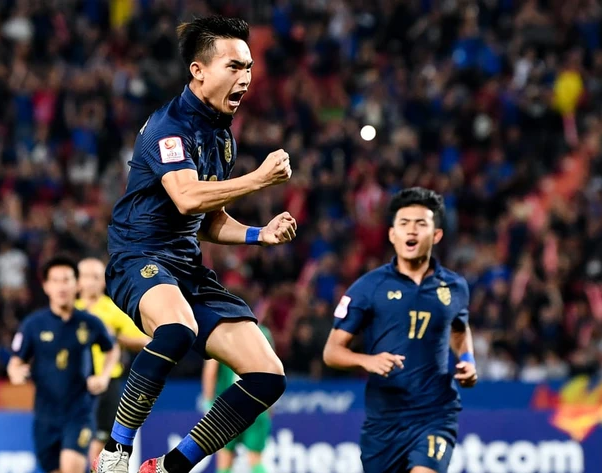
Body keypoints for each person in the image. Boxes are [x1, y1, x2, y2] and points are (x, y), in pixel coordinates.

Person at [93, 15, 297, 473]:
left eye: (249, 67)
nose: (245, 77)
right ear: (198, 71)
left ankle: (169, 467)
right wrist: (259, 179)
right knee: (177, 329)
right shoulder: (169, 127)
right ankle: (115, 453)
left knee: (268, 375)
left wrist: (259, 234)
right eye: (234, 66)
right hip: (139, 258)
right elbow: (186, 197)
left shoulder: (221, 137)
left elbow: (209, 220)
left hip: (186, 268)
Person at [322, 187, 478, 473]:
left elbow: (458, 327)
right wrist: (367, 361)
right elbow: (331, 352)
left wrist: (467, 360)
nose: (412, 230)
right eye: (404, 223)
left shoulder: (455, 287)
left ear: (436, 235)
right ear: (393, 234)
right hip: (384, 423)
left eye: (421, 224)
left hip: (435, 414)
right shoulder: (368, 288)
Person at [8, 257, 121, 473]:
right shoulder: (33, 325)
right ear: (46, 286)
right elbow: (15, 362)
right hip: (45, 415)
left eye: (67, 280)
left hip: (79, 412)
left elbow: (112, 348)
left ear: (77, 284)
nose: (61, 286)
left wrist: (104, 376)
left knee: (72, 466)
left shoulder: (90, 322)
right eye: (56, 280)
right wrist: (16, 373)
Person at [75, 257, 152, 464]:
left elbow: (144, 341)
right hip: (74, 383)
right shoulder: (70, 310)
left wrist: (115, 336)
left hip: (107, 382)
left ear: (103, 281)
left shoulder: (114, 309)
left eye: (96, 277)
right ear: (77, 281)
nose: (90, 282)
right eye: (85, 276)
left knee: (101, 437)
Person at [201, 323, 275, 473]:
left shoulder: (218, 332)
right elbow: (274, 370)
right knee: (256, 459)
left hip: (227, 406)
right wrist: (270, 405)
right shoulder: (263, 333)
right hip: (257, 403)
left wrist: (208, 403)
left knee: (224, 461)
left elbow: (210, 372)